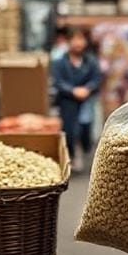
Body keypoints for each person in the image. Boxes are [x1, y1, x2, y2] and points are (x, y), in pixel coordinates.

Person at [51, 28, 102, 171]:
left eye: (81, 39)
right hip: (68, 101)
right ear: (68, 42)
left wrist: (88, 89)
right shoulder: (59, 62)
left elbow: (97, 78)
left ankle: (85, 151)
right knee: (69, 130)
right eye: (74, 39)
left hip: (86, 100)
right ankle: (71, 156)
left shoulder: (90, 61)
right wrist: (72, 90)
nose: (78, 43)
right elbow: (57, 82)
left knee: (86, 128)